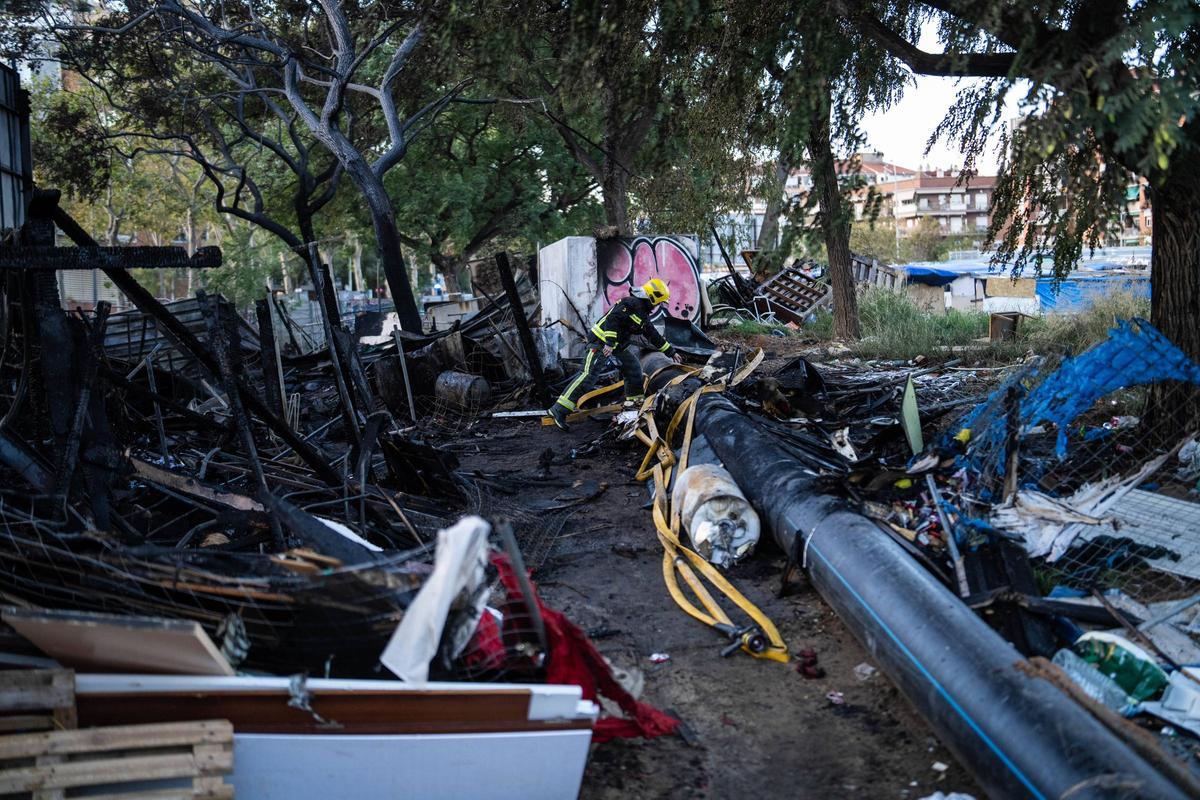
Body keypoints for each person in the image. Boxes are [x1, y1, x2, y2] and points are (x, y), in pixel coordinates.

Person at [547, 278, 679, 430]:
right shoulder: (630, 303)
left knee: (633, 368)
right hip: (601, 343)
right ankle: (558, 410)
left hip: (615, 346)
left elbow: (652, 334)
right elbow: (612, 319)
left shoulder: (641, 312)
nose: (658, 306)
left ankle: (634, 406)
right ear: (653, 297)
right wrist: (609, 343)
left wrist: (671, 352)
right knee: (588, 376)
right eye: (659, 302)